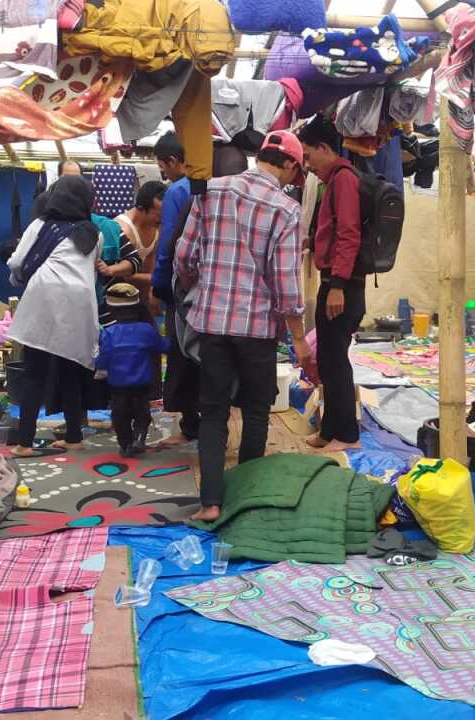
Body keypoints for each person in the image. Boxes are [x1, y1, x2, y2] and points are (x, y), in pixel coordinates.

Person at [176, 130, 312, 522]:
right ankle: (246, 497)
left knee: (214, 412)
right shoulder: (285, 209)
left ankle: (210, 502)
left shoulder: (211, 190)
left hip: (213, 321)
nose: (293, 181)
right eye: (295, 173)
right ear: (287, 164)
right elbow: (286, 280)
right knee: (255, 410)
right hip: (258, 327)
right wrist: (299, 337)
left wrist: (198, 288)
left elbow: (185, 254)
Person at [6, 176, 102, 457]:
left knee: (35, 372)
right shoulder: (94, 233)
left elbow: (17, 261)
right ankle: (74, 436)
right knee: (70, 370)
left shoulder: (40, 225)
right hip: (80, 302)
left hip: (45, 298)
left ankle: (25, 442)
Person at [299, 117, 365, 452]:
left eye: (309, 155)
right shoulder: (334, 182)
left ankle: (346, 436)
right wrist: (312, 241)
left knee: (336, 362)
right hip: (334, 282)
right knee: (329, 360)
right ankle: (331, 430)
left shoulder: (344, 180)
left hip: (343, 286)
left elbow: (349, 234)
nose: (307, 165)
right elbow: (334, 231)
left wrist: (338, 284)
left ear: (324, 148)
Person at [148, 132, 199, 447]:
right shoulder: (213, 185)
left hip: (182, 288)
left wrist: (158, 285)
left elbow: (169, 243)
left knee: (182, 354)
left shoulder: (177, 192)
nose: (162, 174)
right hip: (210, 289)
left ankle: (191, 426)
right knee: (203, 356)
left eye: (162, 167)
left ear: (173, 160)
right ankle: (206, 425)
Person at [95, 283, 168, 457]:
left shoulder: (109, 333)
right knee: (142, 411)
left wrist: (96, 363)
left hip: (118, 385)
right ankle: (140, 437)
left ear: (111, 311)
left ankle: (125, 444)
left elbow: (103, 360)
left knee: (120, 415)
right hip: (142, 382)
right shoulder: (147, 330)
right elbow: (162, 346)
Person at [114, 180, 166, 304]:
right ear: (141, 209)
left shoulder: (156, 224)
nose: (163, 218)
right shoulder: (124, 230)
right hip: (118, 289)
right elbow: (123, 276)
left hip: (136, 286)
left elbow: (149, 257)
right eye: (158, 215)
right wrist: (159, 280)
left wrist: (149, 294)